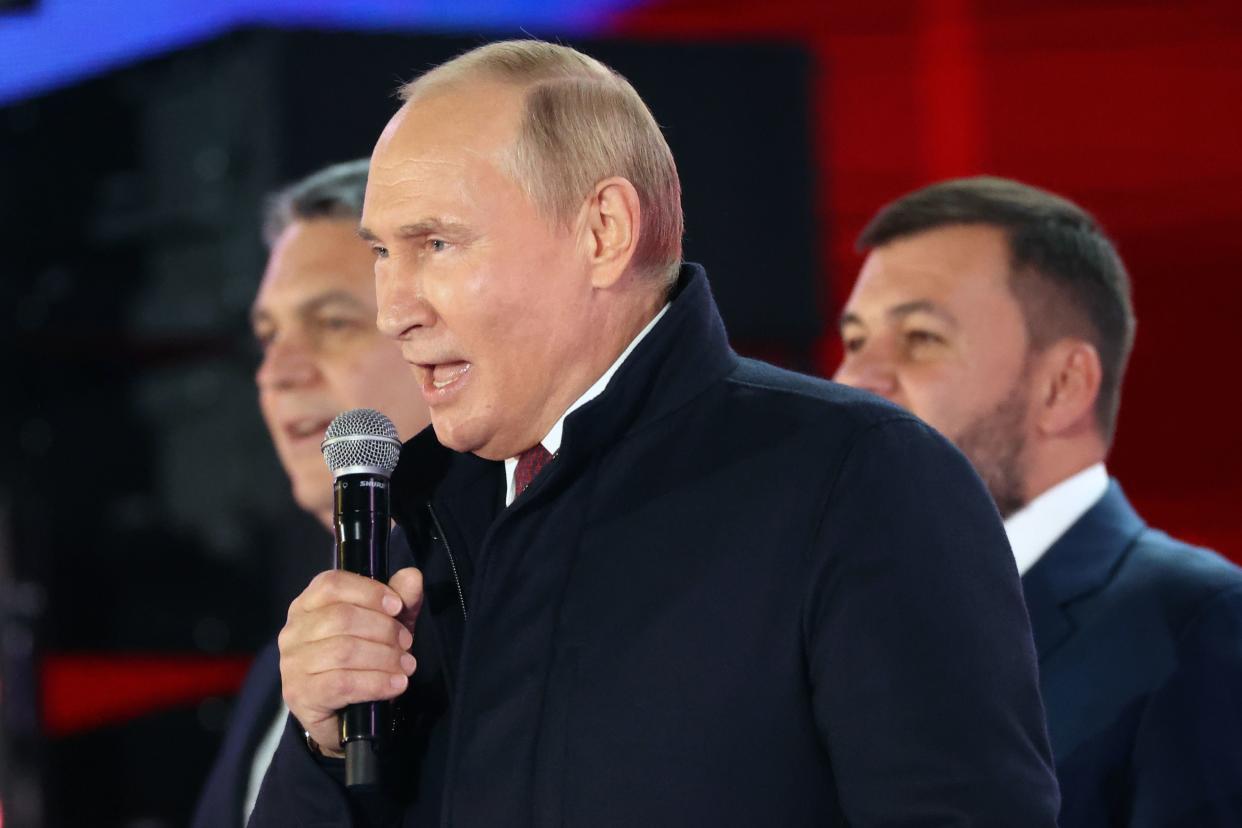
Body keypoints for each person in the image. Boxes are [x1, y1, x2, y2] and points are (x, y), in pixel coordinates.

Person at [249, 42, 1060, 827]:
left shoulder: (860, 479)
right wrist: (325, 751)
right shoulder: (419, 529)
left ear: (603, 231)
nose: (395, 309)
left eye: (435, 244)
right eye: (383, 253)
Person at [835, 175, 1242, 826]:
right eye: (856, 342)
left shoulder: (1197, 625)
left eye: (920, 338)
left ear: (1062, 386)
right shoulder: (847, 619)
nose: (854, 380)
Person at [190, 159, 429, 828]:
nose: (278, 373)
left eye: (331, 323)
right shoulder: (289, 652)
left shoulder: (482, 610)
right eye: (268, 336)